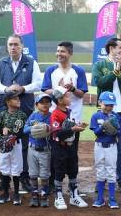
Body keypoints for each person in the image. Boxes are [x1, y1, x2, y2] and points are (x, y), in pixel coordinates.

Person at [0, 34, 42, 192]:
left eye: (16, 44)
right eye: (10, 44)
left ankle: (24, 177)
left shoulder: (31, 62)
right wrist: (7, 89)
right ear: (7, 47)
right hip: (4, 109)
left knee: (24, 144)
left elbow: (39, 83)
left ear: (22, 46)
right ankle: (4, 179)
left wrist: (23, 88)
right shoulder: (0, 63)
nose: (13, 47)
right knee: (5, 142)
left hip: (25, 108)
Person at [92, 37, 121, 192]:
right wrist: (114, 71)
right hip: (105, 113)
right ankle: (102, 179)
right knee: (104, 147)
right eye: (120, 48)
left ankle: (119, 179)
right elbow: (99, 82)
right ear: (111, 49)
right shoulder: (99, 64)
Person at [41, 41, 88, 192]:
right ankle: (53, 183)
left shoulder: (78, 71)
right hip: (56, 117)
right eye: (58, 51)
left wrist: (72, 88)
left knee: (72, 152)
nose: (59, 54)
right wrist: (59, 90)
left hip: (73, 116)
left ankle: (72, 184)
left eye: (63, 51)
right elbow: (45, 90)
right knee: (55, 151)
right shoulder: (51, 70)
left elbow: (81, 94)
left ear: (70, 53)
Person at [50, 86, 88, 210]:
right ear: (60, 100)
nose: (69, 96)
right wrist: (73, 129)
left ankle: (73, 195)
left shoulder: (68, 111)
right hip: (59, 148)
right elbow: (57, 133)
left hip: (70, 147)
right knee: (59, 171)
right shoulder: (55, 114)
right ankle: (58, 196)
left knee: (73, 170)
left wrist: (78, 127)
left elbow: (70, 129)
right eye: (66, 95)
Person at [90, 91, 121, 209]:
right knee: (100, 171)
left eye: (111, 105)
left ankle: (112, 199)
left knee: (111, 171)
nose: (109, 107)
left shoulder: (116, 116)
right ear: (100, 103)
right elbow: (96, 132)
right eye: (106, 104)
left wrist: (115, 130)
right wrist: (104, 127)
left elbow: (119, 132)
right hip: (99, 146)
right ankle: (100, 199)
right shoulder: (95, 116)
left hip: (112, 147)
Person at [0, 92, 28, 205]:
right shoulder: (2, 114)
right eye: (15, 99)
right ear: (8, 102)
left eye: (18, 98)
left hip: (16, 144)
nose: (18, 100)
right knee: (4, 167)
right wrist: (2, 129)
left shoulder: (22, 115)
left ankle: (16, 193)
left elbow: (22, 131)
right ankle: (5, 192)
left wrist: (14, 137)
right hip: (4, 145)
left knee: (16, 168)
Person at [23, 93, 52, 208]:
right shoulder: (33, 116)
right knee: (33, 174)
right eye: (42, 102)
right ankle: (35, 195)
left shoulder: (51, 116)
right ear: (36, 105)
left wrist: (48, 129)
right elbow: (25, 129)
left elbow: (55, 129)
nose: (45, 104)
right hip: (32, 149)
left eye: (47, 102)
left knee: (44, 175)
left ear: (50, 104)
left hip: (45, 150)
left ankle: (44, 196)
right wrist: (33, 128)